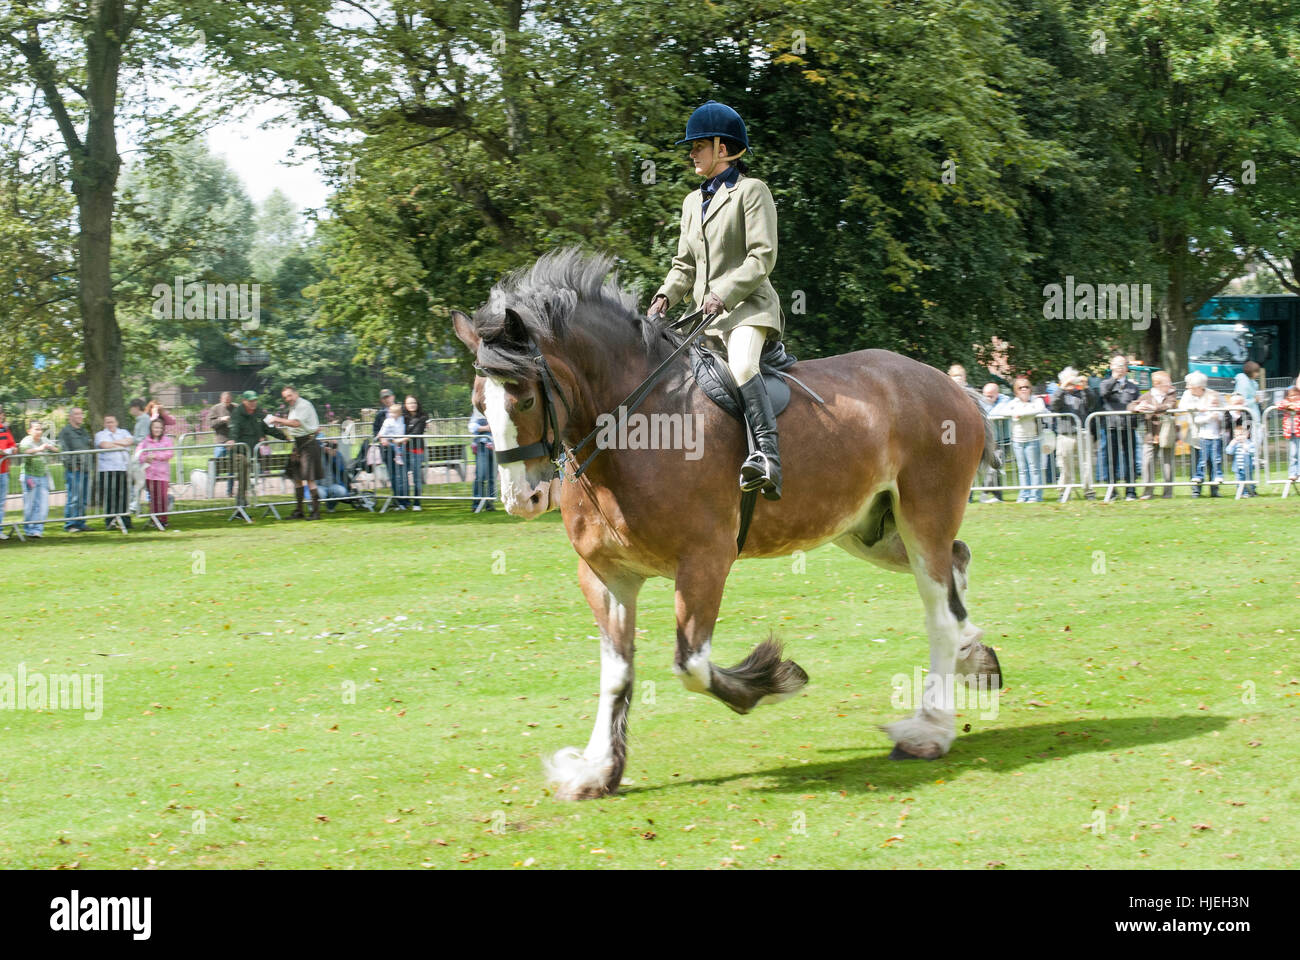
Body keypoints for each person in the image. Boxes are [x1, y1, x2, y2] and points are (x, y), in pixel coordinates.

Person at [648, 100, 785, 500]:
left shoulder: (751, 192)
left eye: (698, 147)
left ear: (722, 148)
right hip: (703, 318)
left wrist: (723, 294)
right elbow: (684, 265)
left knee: (742, 364)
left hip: (748, 310)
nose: (691, 154)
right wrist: (663, 299)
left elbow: (763, 256)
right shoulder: (693, 202)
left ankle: (766, 457)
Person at [269, 386, 322, 519]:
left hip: (308, 444)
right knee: (297, 477)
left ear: (296, 393)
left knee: (309, 479)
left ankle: (316, 512)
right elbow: (295, 425)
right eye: (285, 397)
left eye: (289, 395)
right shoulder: (294, 406)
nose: (287, 399)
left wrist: (278, 419)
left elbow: (296, 423)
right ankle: (299, 511)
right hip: (299, 444)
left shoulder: (303, 405)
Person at [229, 391, 287, 507]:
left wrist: (284, 437)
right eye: (250, 401)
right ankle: (240, 502)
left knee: (247, 473)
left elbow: (269, 428)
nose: (253, 403)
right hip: (240, 452)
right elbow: (234, 429)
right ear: (244, 401)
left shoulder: (259, 413)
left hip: (254, 453)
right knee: (243, 470)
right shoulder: (237, 413)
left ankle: (242, 501)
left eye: (255, 400)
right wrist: (232, 439)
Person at [1128, 370, 1178, 499]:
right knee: (1147, 463)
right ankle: (1148, 492)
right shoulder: (1147, 396)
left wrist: (1153, 408)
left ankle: (1168, 493)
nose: (1170, 385)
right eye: (1167, 383)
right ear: (1157, 384)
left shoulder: (1171, 394)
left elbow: (1169, 405)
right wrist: (1137, 408)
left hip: (1167, 433)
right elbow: (1131, 406)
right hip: (1150, 434)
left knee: (1167, 463)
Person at [1098, 355, 1141, 501]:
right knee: (1111, 460)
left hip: (1128, 427)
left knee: (1130, 460)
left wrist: (1135, 421)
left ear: (1127, 368)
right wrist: (1114, 379)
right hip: (1111, 427)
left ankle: (1131, 491)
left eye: (1122, 365)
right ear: (1111, 366)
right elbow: (1104, 393)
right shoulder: (1105, 383)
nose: (1120, 368)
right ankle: (1112, 491)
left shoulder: (1133, 387)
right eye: (1117, 365)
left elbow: (1137, 403)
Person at [1050, 368, 1097, 500]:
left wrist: (1086, 387)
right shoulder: (1059, 393)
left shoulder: (1081, 393)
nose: (1071, 383)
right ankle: (1064, 492)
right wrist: (1063, 387)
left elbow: (1092, 403)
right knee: (1064, 465)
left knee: (1087, 464)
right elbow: (1054, 405)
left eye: (1073, 379)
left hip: (1083, 433)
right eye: (1068, 379)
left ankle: (1089, 491)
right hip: (1065, 434)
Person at [1178, 372, 1224, 497]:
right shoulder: (1187, 394)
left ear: (1199, 387)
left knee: (1213, 460)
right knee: (1197, 461)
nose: (1187, 387)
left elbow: (1223, 410)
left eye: (1190, 385)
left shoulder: (1213, 395)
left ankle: (1214, 490)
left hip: (1213, 435)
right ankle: (1196, 490)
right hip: (1195, 434)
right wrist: (1198, 407)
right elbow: (1182, 407)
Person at [1001, 377, 1047, 502]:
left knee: (1034, 469)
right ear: (1016, 391)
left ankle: (1035, 496)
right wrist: (1021, 413)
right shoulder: (1013, 403)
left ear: (1030, 389)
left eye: (1026, 387)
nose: (1024, 389)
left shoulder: (1036, 400)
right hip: (1017, 440)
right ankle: (1024, 495)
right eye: (1020, 388)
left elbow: (1039, 409)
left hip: (1032, 439)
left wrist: (1020, 414)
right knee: (1022, 469)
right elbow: (1004, 412)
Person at [57, 407, 95, 532]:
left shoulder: (83, 431)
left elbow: (89, 447)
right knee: (74, 497)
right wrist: (72, 465)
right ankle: (71, 524)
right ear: (71, 417)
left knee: (83, 498)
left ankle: (80, 522)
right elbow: (64, 450)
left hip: (85, 468)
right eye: (77, 414)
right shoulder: (65, 432)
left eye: (81, 414)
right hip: (74, 470)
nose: (80, 416)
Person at [18, 421, 58, 537]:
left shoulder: (44, 440)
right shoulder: (26, 441)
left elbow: (58, 449)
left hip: (43, 476)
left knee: (43, 505)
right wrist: (39, 449)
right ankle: (29, 529)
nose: (39, 431)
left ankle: (38, 530)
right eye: (36, 429)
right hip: (29, 476)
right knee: (30, 505)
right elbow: (24, 450)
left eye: (40, 429)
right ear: (29, 431)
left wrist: (50, 447)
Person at [95, 414, 135, 529]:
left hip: (123, 468)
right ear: (104, 424)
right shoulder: (100, 435)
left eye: (112, 422)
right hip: (107, 469)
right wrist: (120, 443)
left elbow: (130, 441)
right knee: (110, 497)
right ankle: (110, 521)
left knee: (124, 496)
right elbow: (104, 445)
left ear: (116, 423)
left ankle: (125, 520)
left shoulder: (124, 432)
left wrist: (114, 443)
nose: (110, 424)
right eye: (107, 422)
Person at [136, 417, 176, 527]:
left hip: (162, 474)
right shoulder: (146, 441)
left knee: (162, 497)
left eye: (159, 427)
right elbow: (139, 453)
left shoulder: (167, 440)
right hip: (150, 474)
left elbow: (170, 453)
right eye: (155, 427)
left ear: (162, 429)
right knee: (153, 498)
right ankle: (154, 518)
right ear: (151, 428)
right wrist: (145, 458)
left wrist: (156, 456)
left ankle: (163, 519)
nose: (157, 430)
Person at [976, 383, 1009, 502]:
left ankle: (984, 493)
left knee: (994, 467)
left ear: (997, 394)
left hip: (1001, 442)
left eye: (991, 396)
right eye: (986, 396)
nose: (987, 399)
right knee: (992, 469)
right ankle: (998, 496)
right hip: (987, 441)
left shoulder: (1005, 400)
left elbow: (997, 412)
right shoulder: (982, 401)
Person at [376, 401, 409, 510]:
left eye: (394, 413)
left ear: (399, 413)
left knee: (402, 477)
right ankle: (399, 500)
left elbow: (402, 432)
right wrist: (382, 438)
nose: (392, 414)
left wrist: (399, 439)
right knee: (394, 476)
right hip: (390, 446)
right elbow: (381, 432)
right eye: (391, 412)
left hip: (399, 444)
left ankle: (405, 500)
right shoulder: (387, 420)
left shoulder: (402, 420)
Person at [207, 391, 236, 498]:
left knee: (232, 467)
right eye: (225, 400)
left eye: (229, 400)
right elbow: (211, 424)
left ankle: (230, 492)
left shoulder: (236, 408)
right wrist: (221, 420)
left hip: (232, 442)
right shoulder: (215, 409)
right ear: (221, 399)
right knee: (216, 467)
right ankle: (210, 491)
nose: (227, 402)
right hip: (220, 441)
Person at [403, 395, 429, 511]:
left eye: (414, 402)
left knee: (416, 478)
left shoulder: (423, 417)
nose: (412, 405)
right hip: (404, 451)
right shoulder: (403, 417)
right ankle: (404, 501)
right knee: (403, 478)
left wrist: (402, 438)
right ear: (405, 405)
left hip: (416, 451)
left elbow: (416, 432)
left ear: (417, 404)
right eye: (409, 403)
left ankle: (417, 502)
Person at [469, 405, 496, 512]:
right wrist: (487, 428)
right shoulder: (478, 414)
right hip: (482, 447)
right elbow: (472, 427)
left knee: (492, 478)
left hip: (494, 448)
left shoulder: (496, 412)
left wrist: (482, 428)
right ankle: (476, 503)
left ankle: (490, 504)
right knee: (480, 476)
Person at [0, 408, 18, 540]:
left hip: (3, 472)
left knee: (1, 502)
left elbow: (14, 447)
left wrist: (9, 451)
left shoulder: (4, 430)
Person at [1225, 425, 1257, 497]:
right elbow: (1229, 452)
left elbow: (1253, 452)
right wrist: (1231, 444)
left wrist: (1247, 448)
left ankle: (1252, 491)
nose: (1239, 437)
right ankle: (1242, 492)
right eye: (1237, 435)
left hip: (1248, 466)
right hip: (1238, 467)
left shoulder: (1250, 443)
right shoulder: (1236, 444)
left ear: (1247, 435)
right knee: (1239, 480)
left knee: (1249, 480)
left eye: (1241, 435)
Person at [1279, 386, 1300, 483]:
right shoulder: (1286, 402)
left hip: (1298, 432)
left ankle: (1299, 473)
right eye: (1291, 396)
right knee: (1293, 454)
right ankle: (1292, 473)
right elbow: (1279, 405)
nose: (1294, 397)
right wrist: (1289, 405)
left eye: (1296, 395)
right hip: (1291, 433)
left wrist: (1293, 406)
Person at [1232, 360, 1262, 424]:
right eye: (1256, 372)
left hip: (1253, 416)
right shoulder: (1243, 384)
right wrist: (1254, 400)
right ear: (1251, 372)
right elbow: (1241, 402)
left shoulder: (1253, 383)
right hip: (1246, 417)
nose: (1258, 374)